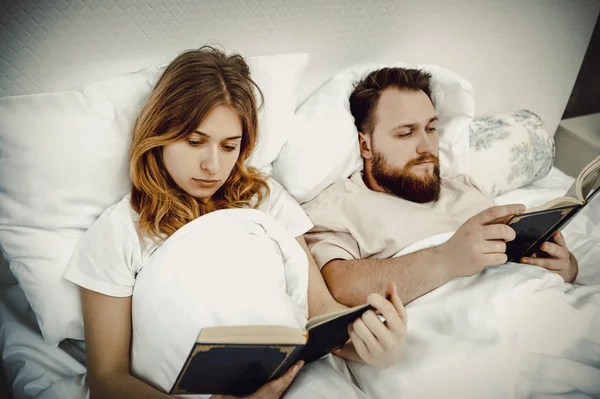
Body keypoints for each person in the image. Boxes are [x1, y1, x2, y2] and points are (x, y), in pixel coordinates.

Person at [63, 47, 407, 399]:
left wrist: (372, 347)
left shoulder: (264, 198)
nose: (212, 165)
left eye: (229, 147)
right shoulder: (119, 231)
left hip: (294, 378)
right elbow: (107, 380)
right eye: (195, 141)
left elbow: (318, 312)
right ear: (160, 133)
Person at [303, 67, 579, 308]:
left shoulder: (464, 187)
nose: (426, 147)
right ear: (366, 145)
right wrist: (446, 259)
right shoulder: (339, 205)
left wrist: (565, 267)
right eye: (406, 133)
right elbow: (339, 285)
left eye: (431, 129)